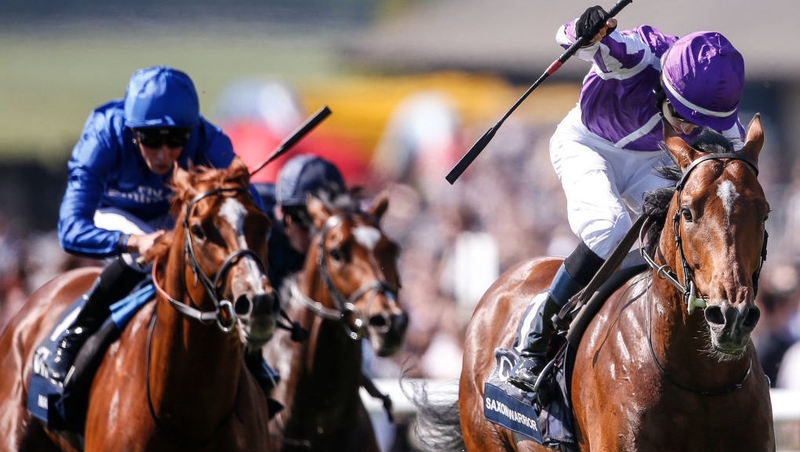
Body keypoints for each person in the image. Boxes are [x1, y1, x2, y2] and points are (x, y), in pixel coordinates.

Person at [508, 6, 747, 391]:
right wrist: (587, 29)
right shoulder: (639, 55)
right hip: (588, 144)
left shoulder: (716, 110)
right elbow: (568, 39)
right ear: (665, 87)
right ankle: (539, 328)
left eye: (697, 123)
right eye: (682, 116)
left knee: (688, 226)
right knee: (612, 231)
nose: (688, 128)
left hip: (649, 160)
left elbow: (740, 165)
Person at [48, 66, 270, 389]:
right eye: (151, 139)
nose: (164, 154)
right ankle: (76, 333)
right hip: (113, 214)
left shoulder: (210, 142)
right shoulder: (104, 135)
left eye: (176, 139)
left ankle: (251, 356)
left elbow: (253, 218)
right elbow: (70, 228)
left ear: (191, 132)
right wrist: (131, 240)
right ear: (132, 131)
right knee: (144, 257)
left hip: (174, 218)